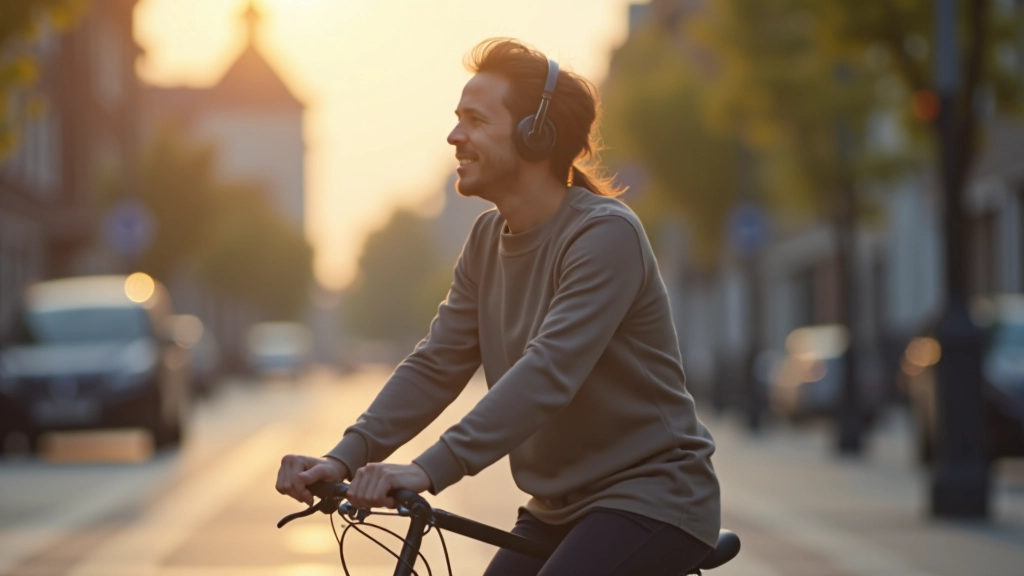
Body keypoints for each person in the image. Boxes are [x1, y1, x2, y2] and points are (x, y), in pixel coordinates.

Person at [276, 38, 720, 575]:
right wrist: (344, 456)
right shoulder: (487, 239)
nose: (454, 136)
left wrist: (426, 469)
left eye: (474, 120)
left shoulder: (605, 235)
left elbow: (547, 374)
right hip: (556, 508)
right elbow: (436, 363)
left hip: (652, 499)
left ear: (535, 136)